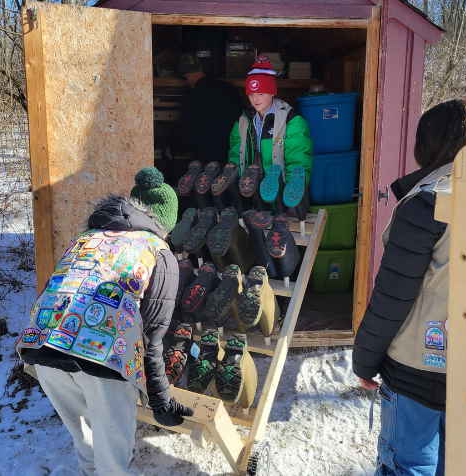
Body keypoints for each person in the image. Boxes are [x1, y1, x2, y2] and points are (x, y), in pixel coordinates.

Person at [17, 167, 194, 476]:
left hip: (41, 347)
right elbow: (150, 339)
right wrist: (160, 401)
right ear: (164, 223)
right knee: (113, 465)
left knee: (87, 446)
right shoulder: (159, 252)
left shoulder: (86, 237)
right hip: (103, 358)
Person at [352, 98, 466, 476]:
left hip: (417, 372)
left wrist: (364, 360)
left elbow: (393, 298)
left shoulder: (430, 201)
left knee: (408, 466)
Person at [228, 54, 313, 184]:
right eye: (251, 94)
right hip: (251, 197)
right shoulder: (242, 121)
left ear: (272, 92)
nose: (255, 99)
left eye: (261, 94)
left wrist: (291, 198)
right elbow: (235, 159)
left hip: (281, 198)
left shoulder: (292, 121)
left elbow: (298, 163)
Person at [170, 52, 245, 165]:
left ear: (185, 75)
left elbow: (186, 133)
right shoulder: (228, 88)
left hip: (209, 161)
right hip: (236, 157)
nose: (185, 83)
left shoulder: (193, 97)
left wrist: (172, 151)